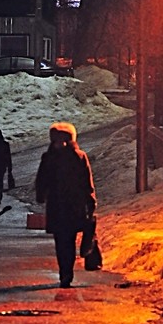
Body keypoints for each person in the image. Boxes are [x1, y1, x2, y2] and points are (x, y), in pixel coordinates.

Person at [35, 121, 97, 288]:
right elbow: (87, 181)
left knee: (61, 241)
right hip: (74, 206)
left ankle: (65, 273)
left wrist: (40, 195)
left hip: (56, 206)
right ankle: (67, 273)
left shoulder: (48, 157)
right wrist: (91, 202)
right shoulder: (79, 156)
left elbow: (42, 179)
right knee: (69, 239)